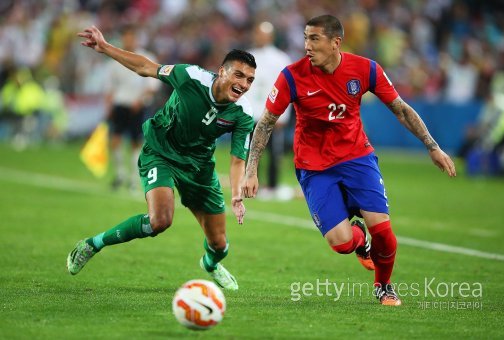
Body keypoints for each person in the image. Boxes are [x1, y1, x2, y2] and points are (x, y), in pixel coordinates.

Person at [241, 15, 456, 305]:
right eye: (305, 38)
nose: (307, 45)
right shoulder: (292, 76)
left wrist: (432, 146)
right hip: (314, 167)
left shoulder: (365, 69)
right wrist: (251, 170)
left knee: (385, 233)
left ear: (335, 43)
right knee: (341, 243)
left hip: (357, 158)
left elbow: (401, 109)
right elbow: (266, 123)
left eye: (314, 39)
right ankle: (359, 239)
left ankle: (384, 286)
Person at [67, 25, 257, 291]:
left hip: (199, 167)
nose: (244, 84)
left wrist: (236, 195)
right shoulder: (190, 76)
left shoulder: (244, 113)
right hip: (161, 152)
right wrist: (106, 47)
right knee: (160, 220)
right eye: (239, 75)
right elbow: (146, 67)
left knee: (220, 245)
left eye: (250, 80)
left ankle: (210, 265)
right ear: (222, 71)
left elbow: (238, 159)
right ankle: (93, 244)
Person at [105, 25, 160, 191]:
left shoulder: (147, 57)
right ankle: (120, 174)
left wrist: (142, 100)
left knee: (136, 143)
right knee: (115, 140)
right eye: (126, 37)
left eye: (132, 37)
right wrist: (108, 105)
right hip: (120, 104)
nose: (129, 40)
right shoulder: (115, 61)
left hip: (138, 106)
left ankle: (133, 179)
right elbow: (110, 87)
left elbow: (152, 85)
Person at [244, 21, 293, 200]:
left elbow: (287, 88)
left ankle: (272, 186)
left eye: (263, 34)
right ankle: (248, 186)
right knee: (249, 151)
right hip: (251, 112)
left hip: (271, 113)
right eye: (258, 33)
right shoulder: (248, 56)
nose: (260, 37)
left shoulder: (280, 58)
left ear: (270, 36)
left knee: (274, 151)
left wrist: (283, 114)